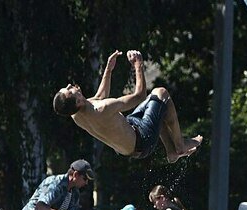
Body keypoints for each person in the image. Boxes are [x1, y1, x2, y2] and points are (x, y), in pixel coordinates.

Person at [52, 49, 202, 163]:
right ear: (77, 102)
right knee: (161, 94)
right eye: (69, 89)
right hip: (142, 140)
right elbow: (139, 96)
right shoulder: (103, 108)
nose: (70, 85)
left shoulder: (76, 115)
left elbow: (98, 98)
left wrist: (108, 70)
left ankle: (171, 151)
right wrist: (138, 65)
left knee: (156, 104)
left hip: (130, 134)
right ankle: (180, 145)